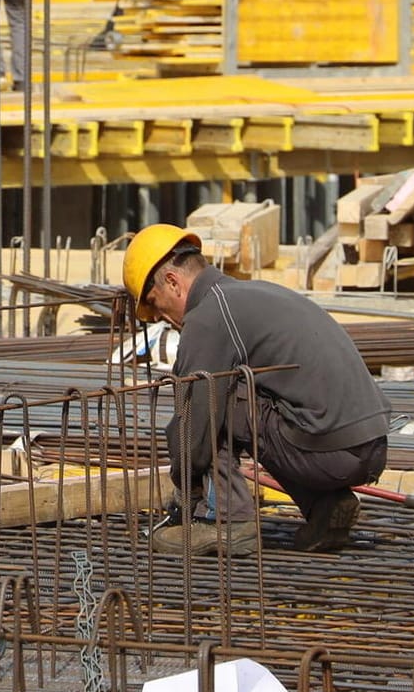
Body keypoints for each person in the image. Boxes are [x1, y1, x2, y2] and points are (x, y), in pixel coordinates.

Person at [122, 224, 391, 557]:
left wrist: (185, 491)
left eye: (157, 305)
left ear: (174, 283)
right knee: (264, 407)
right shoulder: (255, 294)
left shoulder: (208, 316)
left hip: (329, 451)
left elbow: (193, 428)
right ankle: (326, 506)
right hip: (370, 445)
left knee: (216, 401)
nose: (165, 317)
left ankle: (224, 520)